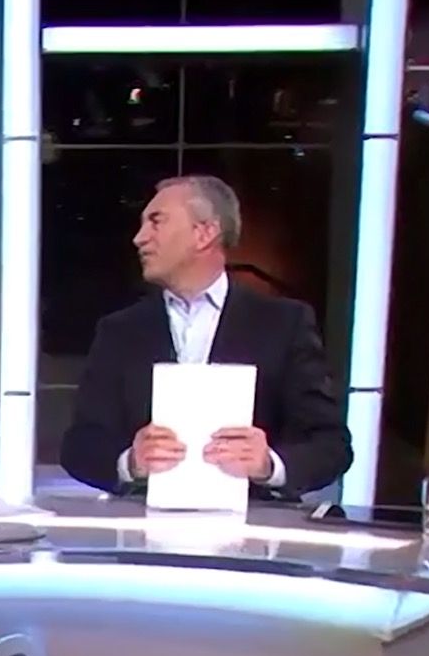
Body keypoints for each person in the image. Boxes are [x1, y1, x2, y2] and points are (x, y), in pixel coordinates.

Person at [58, 175, 352, 497]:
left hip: (255, 521)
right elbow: (80, 445)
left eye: (156, 222)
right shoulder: (119, 331)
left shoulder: (284, 324)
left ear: (204, 233)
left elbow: (331, 445)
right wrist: (129, 461)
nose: (139, 239)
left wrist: (270, 464)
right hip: (143, 521)